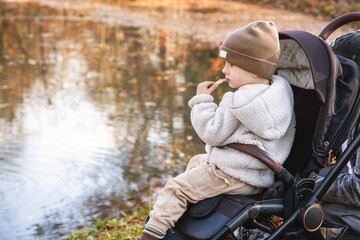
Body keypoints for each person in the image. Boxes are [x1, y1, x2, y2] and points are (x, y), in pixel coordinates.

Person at [137, 20, 296, 240]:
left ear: (251, 69)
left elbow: (211, 133)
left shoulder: (236, 101)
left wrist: (202, 100)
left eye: (231, 65)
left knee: (176, 188)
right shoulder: (279, 94)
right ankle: (195, 217)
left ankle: (150, 235)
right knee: (196, 162)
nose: (224, 70)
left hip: (233, 173)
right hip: (259, 174)